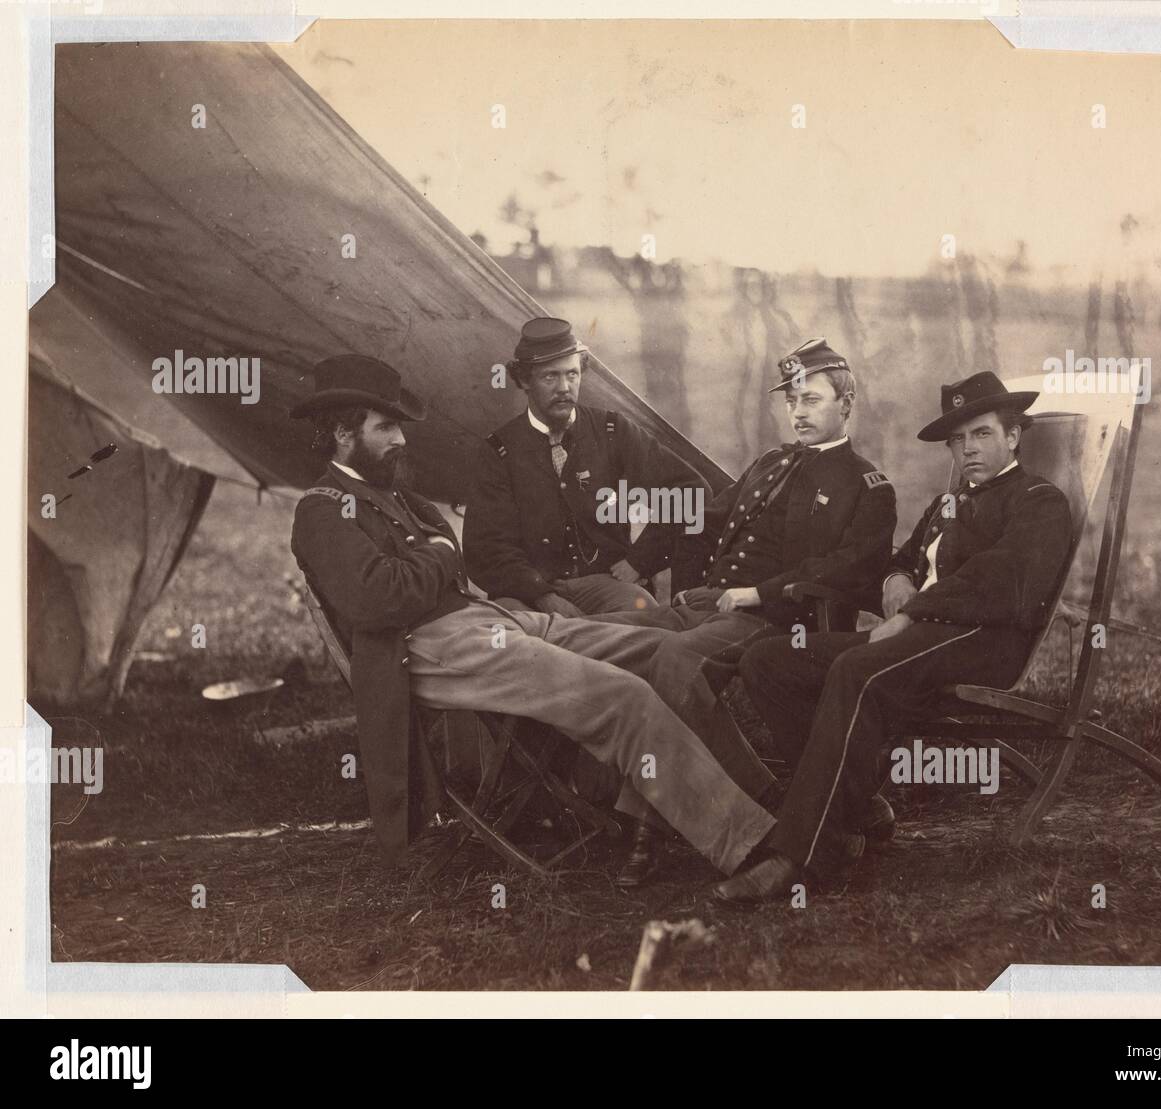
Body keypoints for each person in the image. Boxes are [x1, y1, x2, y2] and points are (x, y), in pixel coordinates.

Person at [288, 353, 773, 875]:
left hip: (488, 622)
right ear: (342, 433)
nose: (402, 440)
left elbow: (424, 570)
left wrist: (434, 556)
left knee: (668, 649)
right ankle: (749, 846)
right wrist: (440, 554)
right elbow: (380, 598)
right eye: (386, 428)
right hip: (434, 649)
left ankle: (762, 794)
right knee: (623, 696)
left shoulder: (392, 494)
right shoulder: (321, 509)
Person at [716, 371, 1073, 902]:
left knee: (855, 671)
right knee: (770, 662)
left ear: (1013, 436)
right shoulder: (947, 503)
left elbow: (1004, 582)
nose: (967, 448)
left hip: (980, 642)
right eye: (958, 439)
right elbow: (901, 560)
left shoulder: (1038, 501)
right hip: (918, 638)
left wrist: (913, 612)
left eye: (981, 434)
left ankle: (803, 854)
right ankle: (855, 810)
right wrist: (896, 580)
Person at [592, 338, 897, 886]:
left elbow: (849, 568)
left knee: (677, 661)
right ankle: (762, 792)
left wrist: (760, 593)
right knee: (600, 639)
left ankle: (647, 830)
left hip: (781, 620)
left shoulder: (866, 484)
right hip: (710, 606)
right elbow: (704, 517)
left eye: (813, 400)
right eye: (793, 401)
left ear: (846, 405)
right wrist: (640, 562)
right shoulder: (771, 463)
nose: (799, 412)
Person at [463, 317, 708, 615]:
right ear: (525, 380)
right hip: (528, 592)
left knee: (643, 620)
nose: (564, 388)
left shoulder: (613, 430)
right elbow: (487, 548)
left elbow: (691, 492)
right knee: (505, 633)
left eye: (572, 374)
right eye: (550, 377)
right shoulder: (497, 451)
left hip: (606, 584)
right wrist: (543, 596)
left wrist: (640, 561)